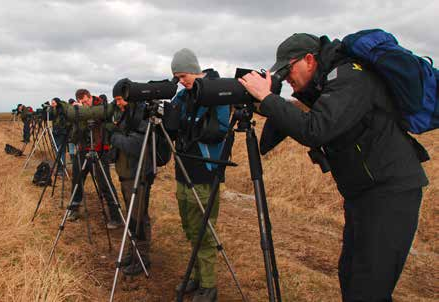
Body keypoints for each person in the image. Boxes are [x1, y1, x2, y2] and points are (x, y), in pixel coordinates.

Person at [238, 33, 429, 302]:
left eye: (287, 69)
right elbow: (297, 121)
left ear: (309, 59)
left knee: (368, 289)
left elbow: (315, 129)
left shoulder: (350, 76)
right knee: (351, 277)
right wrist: (264, 102)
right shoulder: (326, 85)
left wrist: (268, 98)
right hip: (363, 193)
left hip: (390, 192)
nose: (287, 78)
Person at [170, 48, 230, 302]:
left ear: (195, 69)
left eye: (183, 75)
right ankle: (196, 275)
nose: (181, 81)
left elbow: (221, 129)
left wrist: (191, 125)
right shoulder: (182, 96)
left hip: (204, 171)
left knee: (204, 231)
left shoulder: (215, 92)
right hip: (183, 170)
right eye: (177, 78)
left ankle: (209, 286)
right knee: (189, 228)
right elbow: (172, 126)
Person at [109, 94, 155, 276]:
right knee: (131, 216)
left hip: (138, 174)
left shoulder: (141, 115)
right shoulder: (126, 114)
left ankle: (142, 258)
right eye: (116, 100)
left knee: (139, 217)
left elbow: (135, 145)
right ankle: (132, 251)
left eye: (120, 99)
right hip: (126, 173)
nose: (118, 103)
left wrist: (114, 136)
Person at [67, 89, 123, 229]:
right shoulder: (79, 111)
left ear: (90, 97)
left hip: (101, 151)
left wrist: (103, 125)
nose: (85, 104)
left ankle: (116, 216)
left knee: (105, 183)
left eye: (86, 101)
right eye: (82, 103)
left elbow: (114, 125)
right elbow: (74, 136)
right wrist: (78, 117)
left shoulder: (103, 106)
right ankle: (74, 209)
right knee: (77, 180)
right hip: (83, 150)